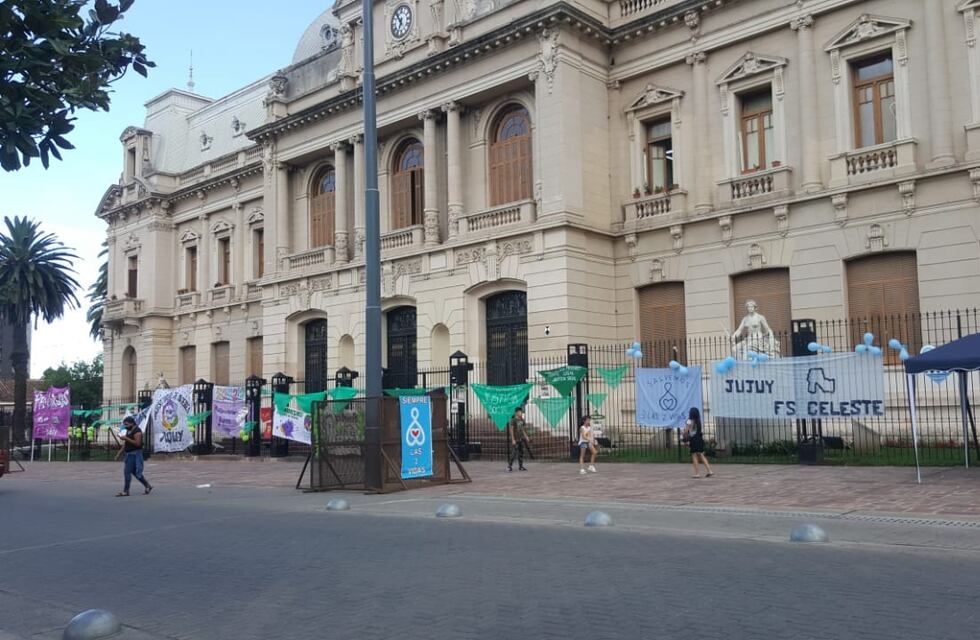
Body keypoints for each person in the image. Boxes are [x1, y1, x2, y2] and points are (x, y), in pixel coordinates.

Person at [116, 416, 152, 497]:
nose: (125, 426)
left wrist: (126, 438)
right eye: (124, 424)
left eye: (127, 424)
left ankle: (126, 491)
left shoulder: (137, 431)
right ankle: (147, 486)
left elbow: (137, 443)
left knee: (127, 472)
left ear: (132, 423)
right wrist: (119, 453)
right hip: (129, 454)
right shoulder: (129, 431)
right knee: (135, 472)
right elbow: (126, 444)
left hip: (134, 454)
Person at [683, 407, 713, 478]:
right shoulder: (698, 421)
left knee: (694, 455)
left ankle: (697, 473)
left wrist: (683, 435)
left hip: (693, 440)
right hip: (699, 439)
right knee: (701, 455)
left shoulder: (689, 421)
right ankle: (710, 471)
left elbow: (686, 431)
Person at [506, 407, 530, 472]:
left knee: (521, 452)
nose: (521, 413)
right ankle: (509, 466)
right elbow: (511, 430)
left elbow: (522, 429)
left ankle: (521, 466)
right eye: (520, 412)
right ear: (516, 413)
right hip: (516, 439)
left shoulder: (522, 420)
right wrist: (513, 439)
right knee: (514, 452)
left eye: (521, 412)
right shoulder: (513, 420)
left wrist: (526, 436)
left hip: (521, 439)